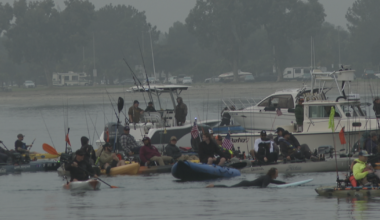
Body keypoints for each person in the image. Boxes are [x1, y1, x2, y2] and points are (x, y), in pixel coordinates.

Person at [206, 168, 285, 188]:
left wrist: (286, 183)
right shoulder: (267, 178)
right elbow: (263, 187)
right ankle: (213, 186)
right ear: (273, 174)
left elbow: (276, 182)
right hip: (245, 184)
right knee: (229, 187)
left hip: (246, 184)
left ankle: (213, 186)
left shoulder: (268, 178)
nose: (277, 175)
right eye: (277, 174)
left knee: (229, 187)